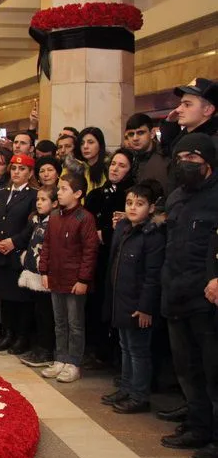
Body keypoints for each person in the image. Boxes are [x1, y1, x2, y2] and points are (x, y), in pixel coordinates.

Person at [159, 133, 218, 458]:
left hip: (206, 299)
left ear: (208, 162)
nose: (184, 165)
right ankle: (198, 427)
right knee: (187, 369)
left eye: (191, 159)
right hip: (175, 294)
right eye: (180, 159)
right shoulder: (177, 197)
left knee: (214, 374)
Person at [101, 180, 165, 415]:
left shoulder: (153, 236)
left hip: (139, 305)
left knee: (138, 351)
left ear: (150, 208)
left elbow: (153, 276)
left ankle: (139, 395)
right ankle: (126, 387)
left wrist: (146, 307)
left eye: (139, 204)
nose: (132, 208)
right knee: (125, 347)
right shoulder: (124, 228)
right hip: (121, 299)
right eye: (129, 203)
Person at [39, 173, 99, 383]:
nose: (59, 192)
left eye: (64, 189)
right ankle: (60, 358)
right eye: (59, 188)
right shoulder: (55, 216)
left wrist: (83, 279)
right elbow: (46, 245)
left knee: (75, 323)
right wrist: (44, 271)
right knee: (60, 322)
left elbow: (90, 251)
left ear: (78, 193)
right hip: (56, 277)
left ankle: (73, 362)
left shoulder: (85, 218)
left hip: (75, 281)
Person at [84, 148, 135, 367]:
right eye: (113, 164)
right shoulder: (96, 194)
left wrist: (104, 233)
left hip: (118, 258)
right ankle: (97, 350)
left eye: (122, 165)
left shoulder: (131, 196)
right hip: (96, 257)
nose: (115, 168)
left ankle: (115, 356)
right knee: (95, 304)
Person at [0, 154, 38, 354]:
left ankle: (22, 337)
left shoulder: (33, 195)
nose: (16, 172)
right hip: (0, 252)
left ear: (30, 173)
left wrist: (14, 241)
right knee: (5, 297)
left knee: (21, 298)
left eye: (22, 169)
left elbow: (32, 224)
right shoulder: (0, 193)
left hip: (19, 254)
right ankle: (7, 334)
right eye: (14, 168)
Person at [18, 186, 58, 368]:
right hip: (33, 271)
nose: (39, 203)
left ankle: (47, 350)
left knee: (47, 314)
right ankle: (40, 346)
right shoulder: (35, 220)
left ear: (55, 203)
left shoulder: (55, 221)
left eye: (44, 200)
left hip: (46, 274)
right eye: (38, 199)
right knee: (38, 312)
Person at [160, 78, 218, 156]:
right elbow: (168, 153)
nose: (178, 109)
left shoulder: (212, 146)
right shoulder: (185, 137)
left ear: (207, 110)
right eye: (180, 104)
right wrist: (169, 123)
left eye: (187, 104)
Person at [125, 113, 171, 196]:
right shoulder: (129, 158)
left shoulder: (165, 157)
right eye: (131, 134)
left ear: (152, 133)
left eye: (140, 133)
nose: (135, 138)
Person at [78, 127, 109, 193]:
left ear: (100, 145)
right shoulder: (76, 169)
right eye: (82, 143)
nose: (85, 146)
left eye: (90, 142)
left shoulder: (109, 169)